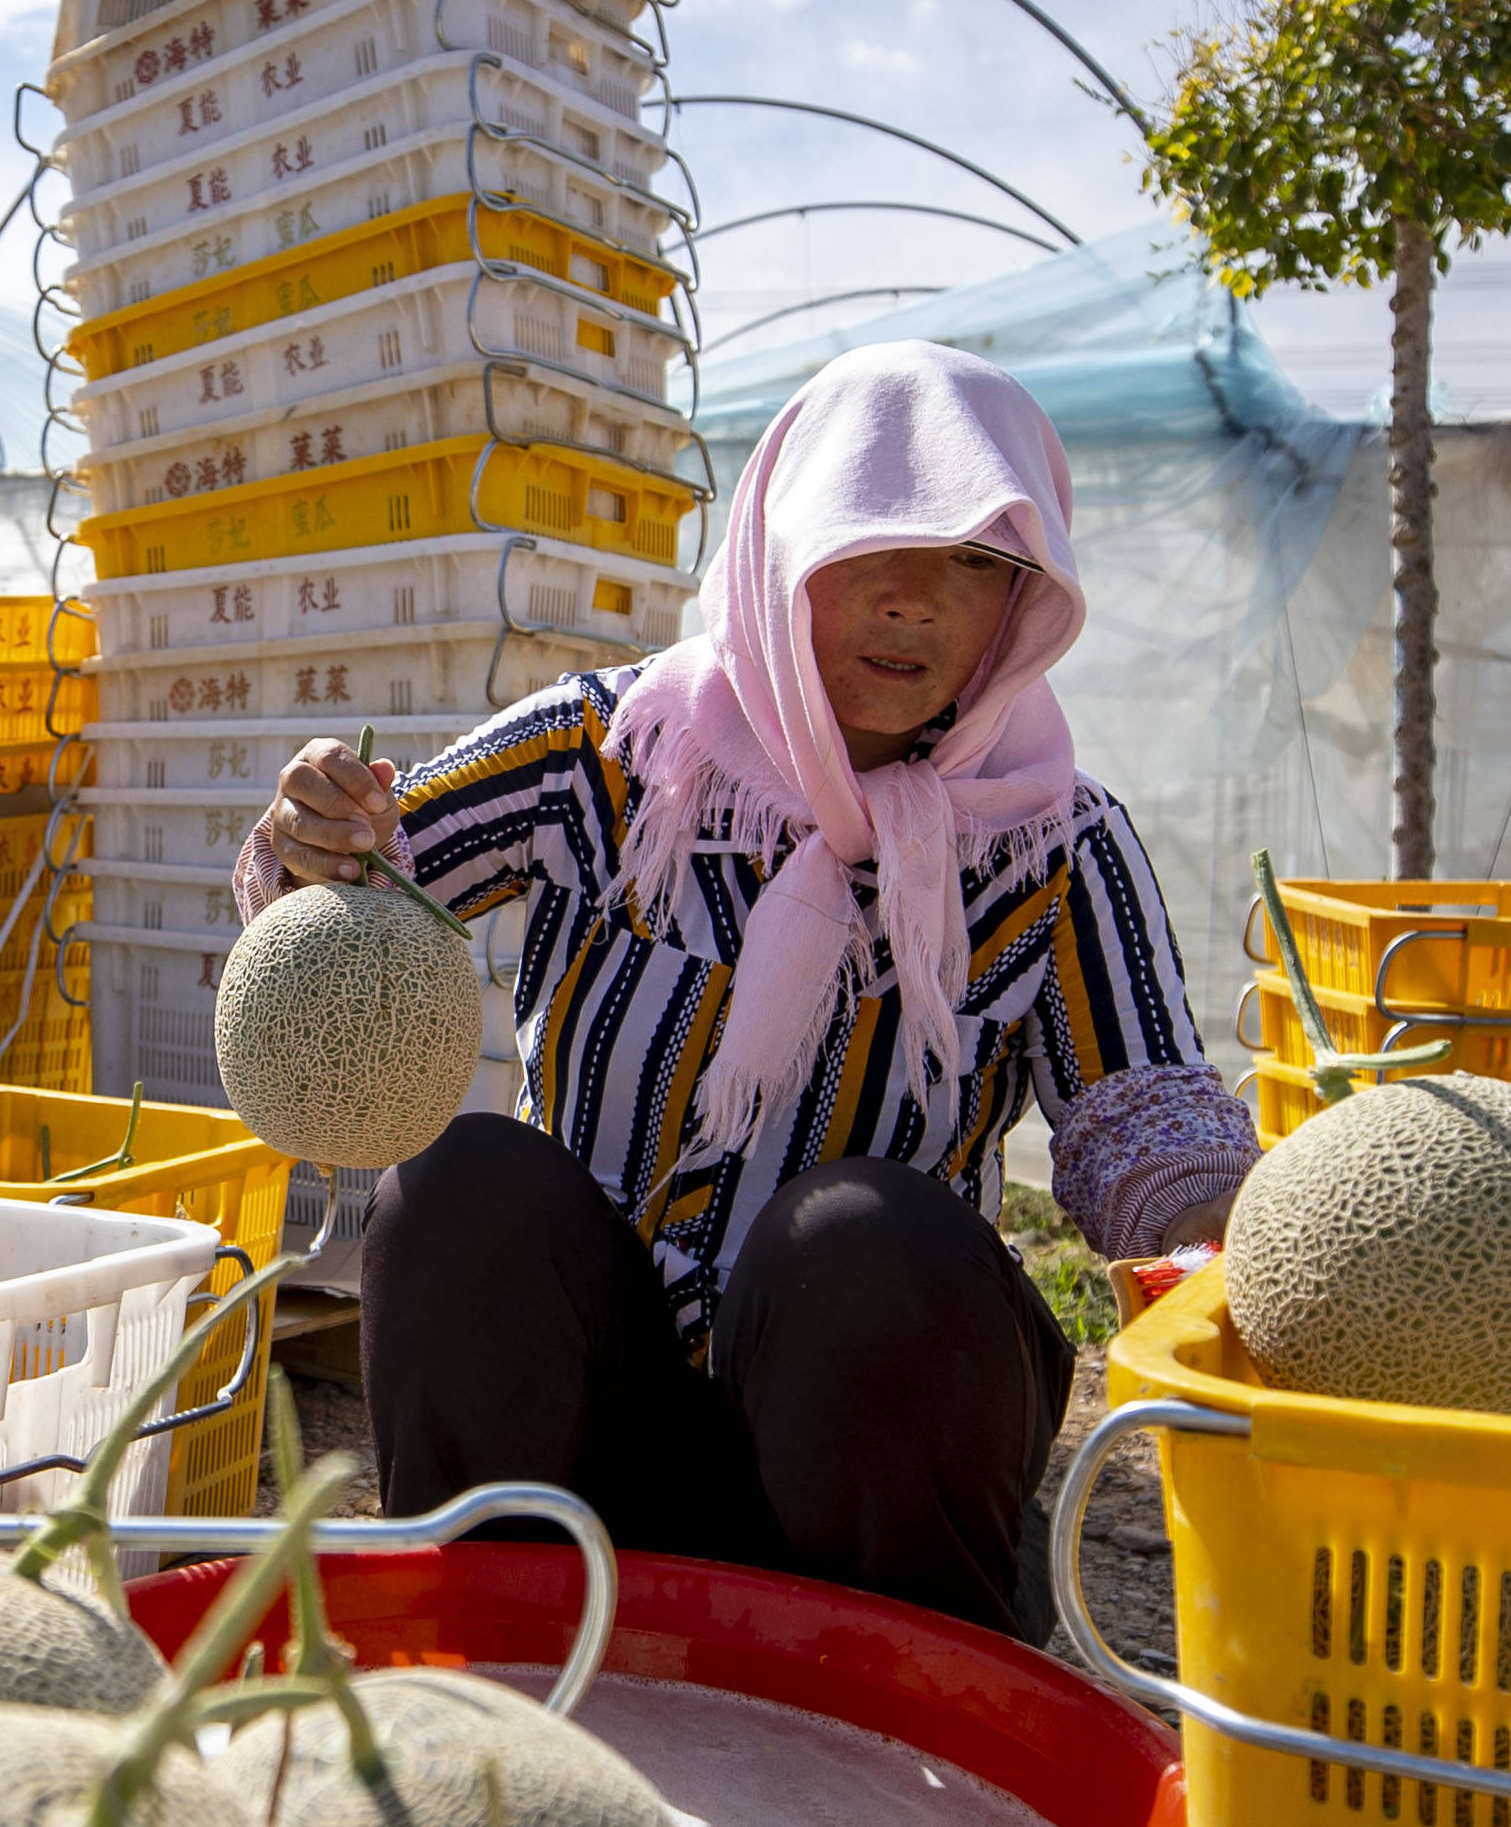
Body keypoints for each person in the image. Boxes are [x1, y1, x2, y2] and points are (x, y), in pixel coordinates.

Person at [240, 339, 1252, 1634]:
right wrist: (317, 833)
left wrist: (1257, 1227)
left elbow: (1145, 1129)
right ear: (782, 541)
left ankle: (908, 1683)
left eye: (979, 565)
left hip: (873, 1465)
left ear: (1027, 602)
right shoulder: (607, 752)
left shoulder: (1054, 837)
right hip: (592, 1445)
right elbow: (346, 898)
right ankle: (484, 1631)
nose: (916, 603)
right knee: (461, 1188)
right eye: (871, 542)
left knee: (857, 1240)